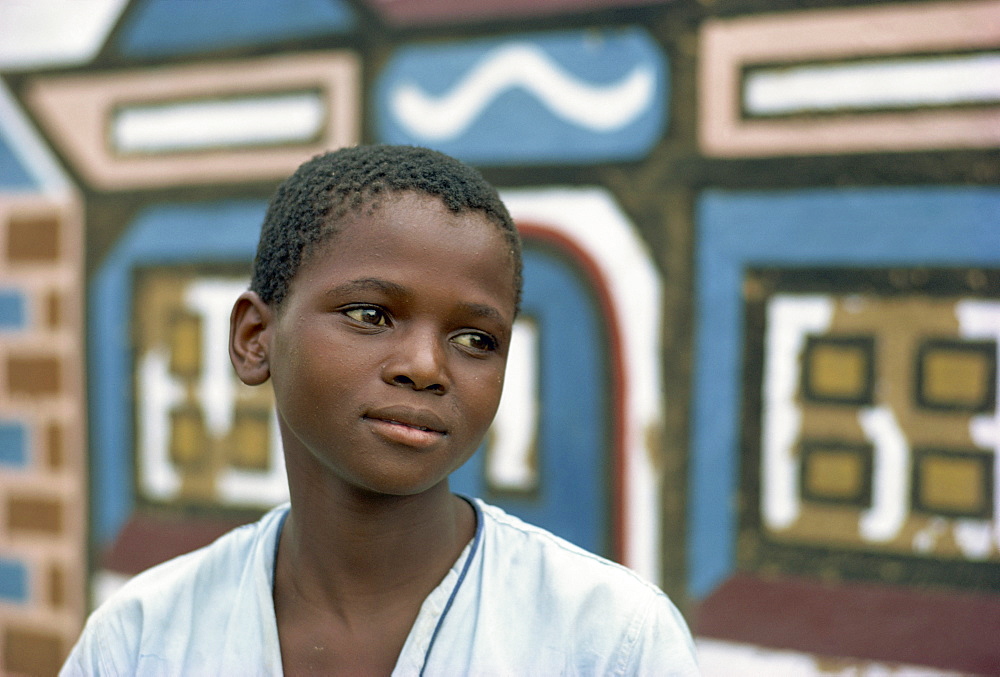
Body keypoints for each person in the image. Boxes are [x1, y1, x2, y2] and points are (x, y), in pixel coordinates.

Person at [61, 145, 699, 676]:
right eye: (370, 315)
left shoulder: (611, 642)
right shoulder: (142, 640)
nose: (425, 366)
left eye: (476, 339)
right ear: (256, 339)